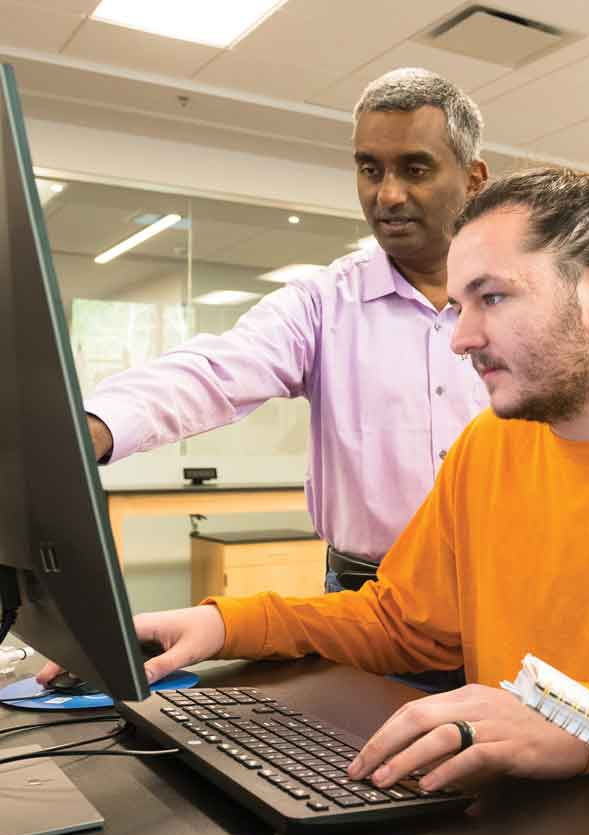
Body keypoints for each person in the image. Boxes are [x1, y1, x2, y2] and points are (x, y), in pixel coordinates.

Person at [41, 157, 589, 796]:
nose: (460, 337)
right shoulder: (491, 447)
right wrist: (224, 626)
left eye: (493, 299)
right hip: (502, 832)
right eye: (458, 305)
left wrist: (582, 726)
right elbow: (408, 626)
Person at [83, 67, 488, 592]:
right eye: (370, 170)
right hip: (365, 597)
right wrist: (87, 428)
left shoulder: (518, 305)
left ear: (473, 180)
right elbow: (215, 371)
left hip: (503, 590)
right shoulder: (324, 303)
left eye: (415, 169)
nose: (387, 195)